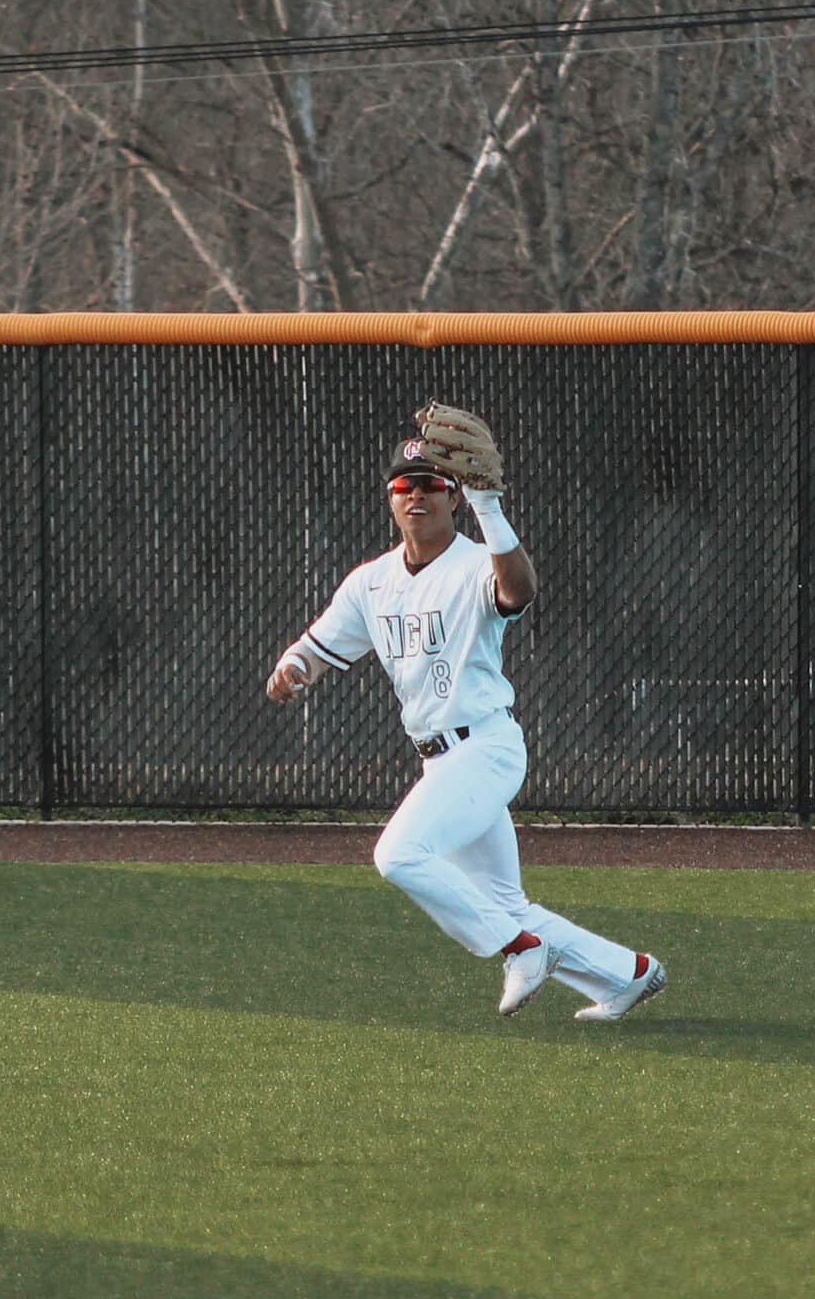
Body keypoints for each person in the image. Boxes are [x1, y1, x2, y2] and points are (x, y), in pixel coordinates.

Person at [265, 424, 666, 1021]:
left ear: (453, 496)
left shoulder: (478, 560)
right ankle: (626, 972)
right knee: (503, 901)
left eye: (432, 484)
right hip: (440, 760)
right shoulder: (371, 582)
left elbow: (519, 590)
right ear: (391, 498)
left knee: (398, 855)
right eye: (405, 485)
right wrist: (293, 664)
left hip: (485, 748)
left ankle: (517, 949)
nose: (417, 496)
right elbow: (319, 647)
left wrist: (490, 507)